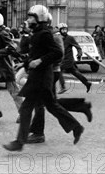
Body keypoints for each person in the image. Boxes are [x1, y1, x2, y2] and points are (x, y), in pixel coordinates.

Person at [3, 5, 84, 151]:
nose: (27, 20)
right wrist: (24, 63)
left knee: (27, 107)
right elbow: (35, 55)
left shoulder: (45, 33)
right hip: (39, 76)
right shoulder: (37, 33)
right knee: (52, 106)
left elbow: (57, 53)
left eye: (30, 17)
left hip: (41, 77)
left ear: (39, 18)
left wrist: (40, 61)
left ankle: (19, 142)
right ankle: (76, 127)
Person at [26, 15, 93, 144]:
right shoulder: (44, 34)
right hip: (48, 72)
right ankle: (81, 109)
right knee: (50, 103)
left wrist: (41, 61)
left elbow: (57, 54)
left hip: (51, 72)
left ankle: (38, 132)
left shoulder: (52, 35)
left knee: (45, 103)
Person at [57, 23, 92, 94]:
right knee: (75, 72)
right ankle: (86, 82)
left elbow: (78, 47)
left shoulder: (70, 38)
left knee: (58, 71)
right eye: (62, 30)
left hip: (67, 59)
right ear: (60, 31)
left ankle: (63, 87)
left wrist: (79, 54)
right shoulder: (59, 38)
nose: (64, 31)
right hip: (63, 59)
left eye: (65, 29)